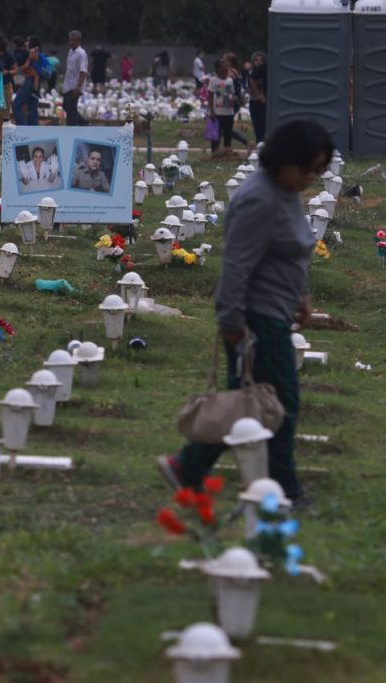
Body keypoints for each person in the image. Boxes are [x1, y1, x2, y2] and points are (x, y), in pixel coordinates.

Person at [157, 119, 332, 505]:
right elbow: (236, 266)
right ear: (285, 159)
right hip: (256, 319)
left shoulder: (284, 192)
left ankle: (187, 466)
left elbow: (291, 250)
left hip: (275, 313)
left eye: (317, 170)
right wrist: (232, 323)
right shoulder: (259, 198)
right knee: (279, 404)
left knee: (248, 406)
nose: (310, 177)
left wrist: (301, 296)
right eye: (306, 168)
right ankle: (285, 490)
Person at [208, 58, 236, 155]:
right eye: (224, 65)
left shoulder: (230, 81)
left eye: (227, 66)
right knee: (216, 134)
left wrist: (234, 100)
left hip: (229, 112)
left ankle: (226, 152)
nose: (227, 67)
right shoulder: (213, 80)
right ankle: (215, 152)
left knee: (228, 133)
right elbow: (210, 96)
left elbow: (231, 94)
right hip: (217, 113)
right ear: (218, 68)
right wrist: (211, 111)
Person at [62, 30, 88, 126]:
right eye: (70, 40)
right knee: (67, 107)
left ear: (79, 41)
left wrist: (78, 86)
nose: (71, 42)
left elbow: (83, 71)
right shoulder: (70, 52)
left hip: (75, 86)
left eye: (74, 40)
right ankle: (85, 124)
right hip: (68, 85)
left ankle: (72, 129)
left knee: (71, 110)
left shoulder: (81, 54)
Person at [11, 36, 37, 126]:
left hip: (28, 80)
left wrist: (18, 69)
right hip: (33, 80)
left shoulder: (20, 53)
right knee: (32, 107)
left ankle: (23, 127)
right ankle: (33, 130)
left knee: (16, 105)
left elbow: (24, 67)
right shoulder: (29, 53)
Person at [249, 51, 268, 143]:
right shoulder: (251, 73)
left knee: (263, 126)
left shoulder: (265, 72)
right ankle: (259, 144)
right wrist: (258, 94)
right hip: (253, 102)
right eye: (256, 60)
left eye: (261, 60)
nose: (258, 62)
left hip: (263, 103)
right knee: (256, 126)